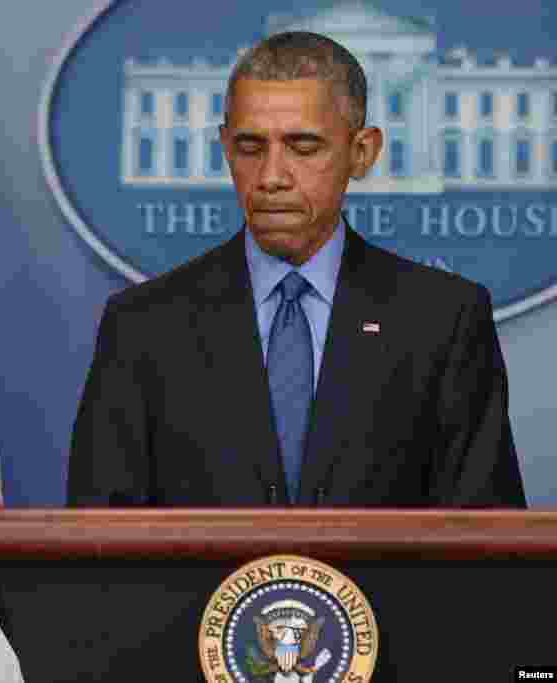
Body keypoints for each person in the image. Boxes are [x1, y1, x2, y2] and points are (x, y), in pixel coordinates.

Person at [68, 32, 526, 508]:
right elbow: (97, 547)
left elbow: (487, 544)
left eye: (303, 146)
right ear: (225, 147)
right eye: (250, 147)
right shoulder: (143, 326)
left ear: (362, 152)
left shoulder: (442, 321)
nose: (271, 177)